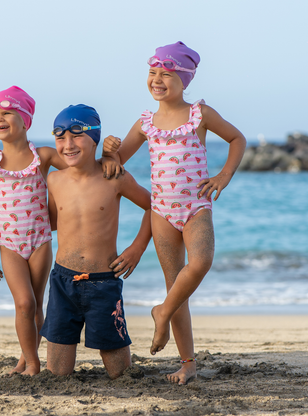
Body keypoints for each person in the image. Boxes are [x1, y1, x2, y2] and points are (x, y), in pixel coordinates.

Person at [102, 42, 247, 384]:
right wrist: (109, 150)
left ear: (184, 80)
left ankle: (161, 311)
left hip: (196, 206)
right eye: (152, 73)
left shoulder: (200, 114)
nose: (157, 80)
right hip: (162, 211)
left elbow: (237, 139)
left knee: (200, 263)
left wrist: (223, 176)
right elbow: (116, 161)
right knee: (175, 283)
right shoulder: (145, 123)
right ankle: (187, 363)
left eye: (166, 75)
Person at [40, 104, 152, 379]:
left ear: (94, 138)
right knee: (56, 374)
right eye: (60, 137)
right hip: (62, 282)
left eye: (76, 135)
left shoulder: (114, 177)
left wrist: (137, 248)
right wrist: (6, 225)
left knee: (120, 374)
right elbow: (52, 223)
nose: (68, 145)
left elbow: (154, 207)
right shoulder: (54, 180)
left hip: (103, 283)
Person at [0, 86, 68, 376]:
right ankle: (33, 362)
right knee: (24, 303)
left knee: (36, 305)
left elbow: (77, 169)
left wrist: (106, 160)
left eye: (7, 112)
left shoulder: (43, 156)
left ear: (25, 120)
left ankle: (24, 357)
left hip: (40, 240)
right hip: (9, 243)